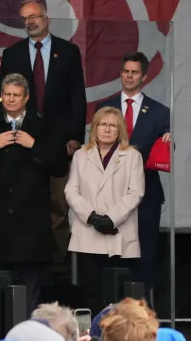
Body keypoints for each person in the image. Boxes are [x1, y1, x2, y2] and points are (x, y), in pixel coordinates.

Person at [0, 0, 87, 264]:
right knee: (27, 205)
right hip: (22, 142)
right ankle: (27, 263)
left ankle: (58, 268)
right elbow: (6, 100)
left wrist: (75, 137)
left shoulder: (68, 51)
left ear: (47, 18)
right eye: (25, 18)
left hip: (59, 142)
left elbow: (77, 97)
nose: (30, 22)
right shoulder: (13, 54)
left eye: (34, 16)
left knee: (59, 207)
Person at [0, 73, 68, 314]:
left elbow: (60, 166)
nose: (10, 99)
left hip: (30, 226)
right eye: (6, 94)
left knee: (30, 298)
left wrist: (33, 145)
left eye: (16, 95)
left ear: (26, 97)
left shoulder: (42, 127)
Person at [97, 51, 171, 293]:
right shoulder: (104, 107)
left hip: (146, 195)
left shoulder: (160, 112)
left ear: (145, 76)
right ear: (120, 73)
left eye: (134, 72)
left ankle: (140, 313)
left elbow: (167, 150)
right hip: (109, 195)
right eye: (125, 71)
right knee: (110, 255)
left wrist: (171, 141)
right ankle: (109, 311)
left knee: (144, 254)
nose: (129, 76)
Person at [64, 107, 144, 311]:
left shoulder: (132, 156)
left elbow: (135, 193)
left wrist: (110, 218)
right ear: (95, 128)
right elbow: (71, 190)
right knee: (90, 293)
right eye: (102, 124)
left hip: (118, 233)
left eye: (113, 125)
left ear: (120, 130)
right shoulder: (82, 154)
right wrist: (90, 216)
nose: (107, 129)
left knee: (118, 296)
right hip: (88, 233)